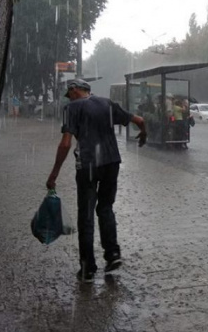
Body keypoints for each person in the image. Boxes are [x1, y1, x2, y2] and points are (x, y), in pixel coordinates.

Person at [46, 79, 147, 283]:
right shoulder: (107, 103)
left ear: (75, 90)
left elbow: (66, 144)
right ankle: (112, 255)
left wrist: (54, 174)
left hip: (88, 166)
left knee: (86, 216)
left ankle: (87, 268)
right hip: (111, 162)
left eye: (70, 93)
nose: (69, 96)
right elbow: (139, 120)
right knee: (106, 208)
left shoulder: (72, 108)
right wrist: (144, 133)